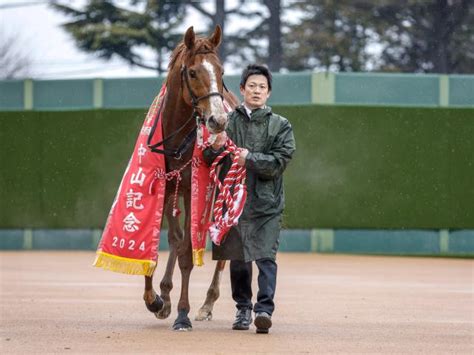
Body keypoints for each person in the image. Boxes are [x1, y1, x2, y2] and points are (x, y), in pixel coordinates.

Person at [203, 64, 296, 334]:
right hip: (233, 204)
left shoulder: (280, 125)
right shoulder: (226, 122)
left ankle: (264, 310)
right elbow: (210, 160)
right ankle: (242, 309)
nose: (257, 91)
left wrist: (250, 159)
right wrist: (215, 148)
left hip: (267, 205)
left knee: (266, 257)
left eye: (262, 87)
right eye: (252, 86)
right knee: (238, 259)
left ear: (268, 93)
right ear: (242, 90)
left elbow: (281, 160)